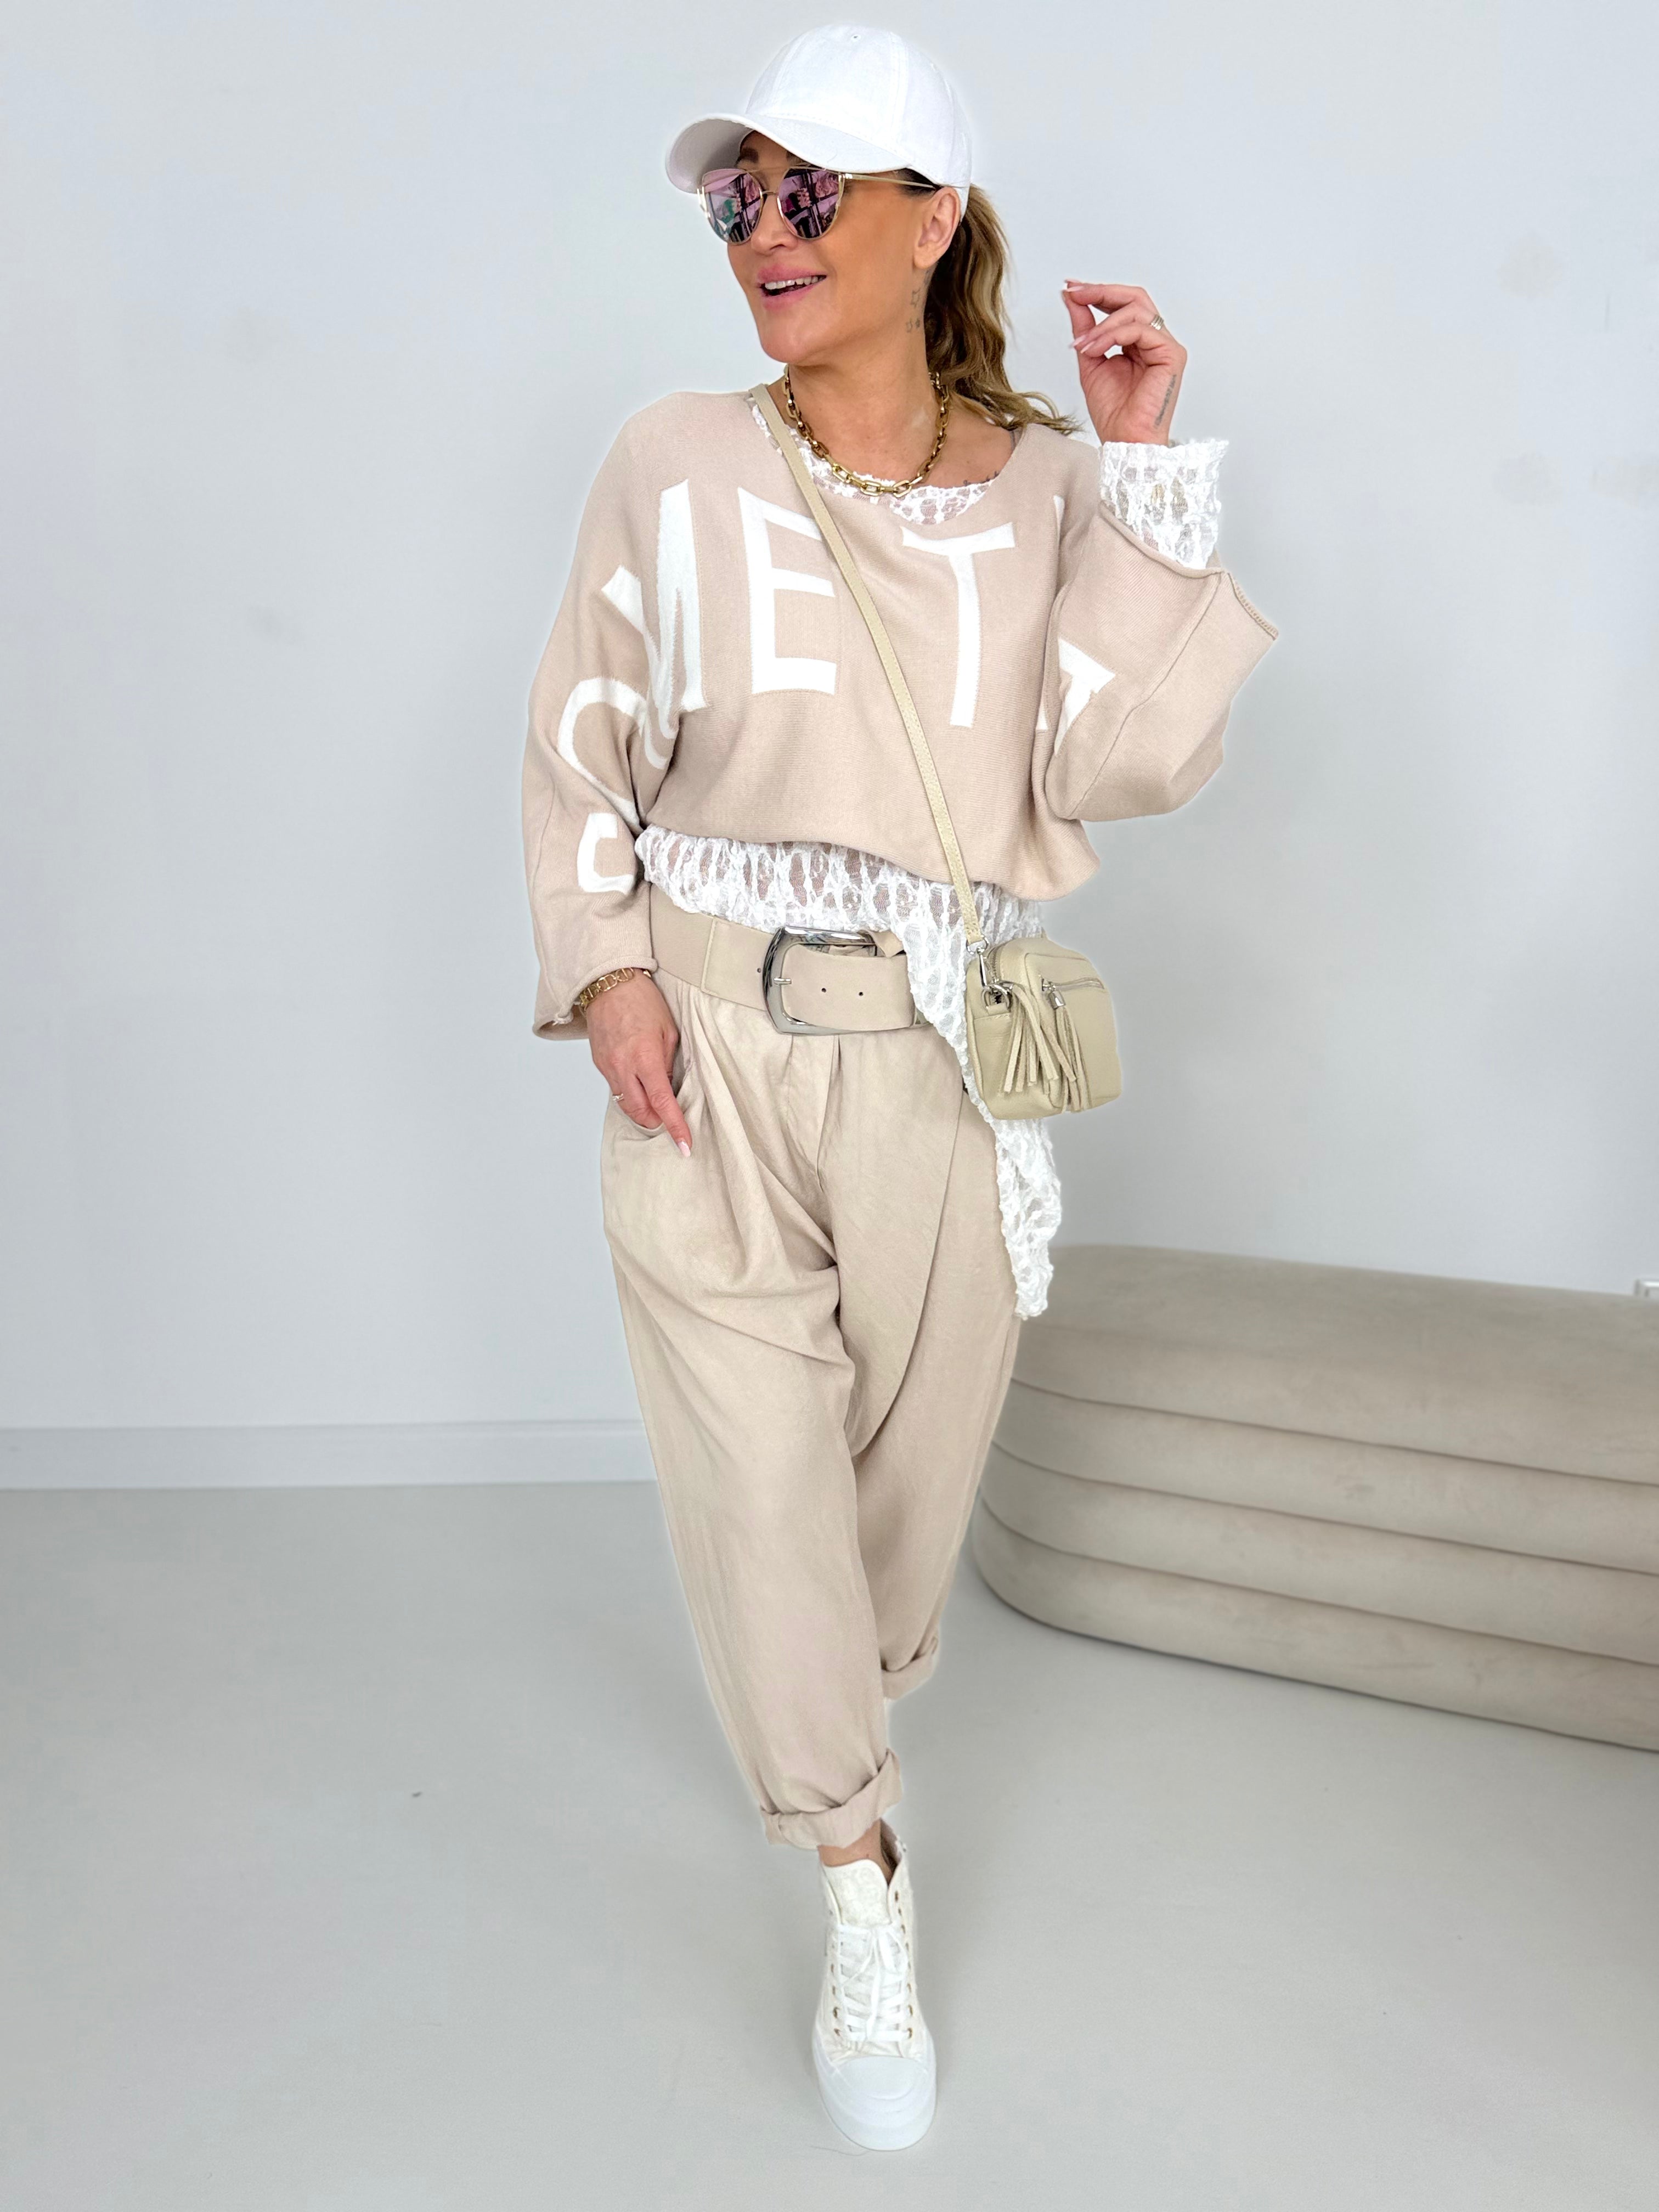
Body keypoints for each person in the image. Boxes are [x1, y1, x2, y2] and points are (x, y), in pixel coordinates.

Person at [521, 22, 1276, 2150]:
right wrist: (606, 970)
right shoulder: (673, 457)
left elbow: (1125, 762)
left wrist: (1142, 459)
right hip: (705, 1039)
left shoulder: (1047, 490)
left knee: (897, 1509)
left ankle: (837, 1724)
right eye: (734, 196)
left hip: (941, 1055)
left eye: (808, 191)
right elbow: (577, 732)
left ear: (935, 220)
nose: (760, 233)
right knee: (759, 1483)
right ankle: (861, 1876)